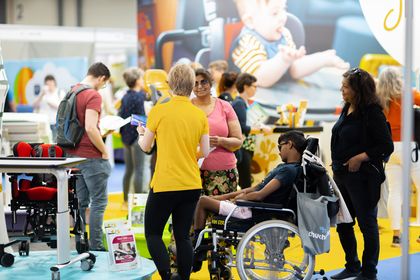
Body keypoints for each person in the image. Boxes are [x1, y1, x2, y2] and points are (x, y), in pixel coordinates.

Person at [137, 63, 210, 280]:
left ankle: (167, 277)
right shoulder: (199, 115)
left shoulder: (159, 111)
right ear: (191, 86)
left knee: (152, 234)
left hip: (165, 183)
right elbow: (205, 151)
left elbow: (146, 146)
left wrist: (142, 133)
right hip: (191, 184)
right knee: (182, 237)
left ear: (169, 84)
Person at [193, 130, 305, 249]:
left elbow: (259, 195)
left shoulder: (288, 170)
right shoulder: (286, 168)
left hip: (251, 211)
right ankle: (202, 243)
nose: (278, 151)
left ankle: (196, 245)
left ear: (290, 144)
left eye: (280, 146)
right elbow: (254, 188)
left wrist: (240, 199)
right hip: (251, 207)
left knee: (202, 201)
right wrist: (221, 197)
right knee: (209, 200)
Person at [330, 68, 394, 280]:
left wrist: (361, 157)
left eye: (346, 86)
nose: (342, 89)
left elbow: (386, 145)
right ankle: (352, 265)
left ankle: (369, 272)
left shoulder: (372, 111)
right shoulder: (347, 107)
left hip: (364, 179)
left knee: (367, 224)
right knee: (344, 223)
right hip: (343, 176)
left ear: (358, 89)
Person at [231, 0, 349, 88]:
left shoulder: (284, 34)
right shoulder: (248, 42)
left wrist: (321, 59)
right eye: (275, 13)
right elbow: (259, 79)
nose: (283, 17)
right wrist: (283, 60)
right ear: (250, 21)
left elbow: (294, 69)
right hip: (254, 100)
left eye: (284, 9)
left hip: (279, 94)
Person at [65, 62, 112, 251]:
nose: (103, 87)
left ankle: (80, 243)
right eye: (105, 83)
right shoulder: (93, 95)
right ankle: (96, 247)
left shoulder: (72, 91)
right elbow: (91, 128)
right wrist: (104, 150)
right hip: (91, 155)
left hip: (73, 155)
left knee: (81, 202)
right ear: (101, 78)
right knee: (99, 202)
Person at [376, 67, 420, 247]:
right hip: (409, 147)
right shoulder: (408, 94)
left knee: (395, 192)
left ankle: (397, 236)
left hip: (389, 149)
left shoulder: (378, 100)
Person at [192, 68, 243, 196]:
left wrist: (220, 141)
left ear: (211, 83)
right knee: (194, 214)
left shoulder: (225, 106)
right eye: (195, 83)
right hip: (192, 173)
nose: (199, 86)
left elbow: (238, 141)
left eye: (203, 82)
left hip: (224, 172)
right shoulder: (187, 107)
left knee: (222, 214)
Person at [232, 73, 271, 189]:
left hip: (246, 146)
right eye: (254, 86)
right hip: (242, 147)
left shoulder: (243, 103)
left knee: (246, 180)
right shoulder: (239, 103)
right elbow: (242, 127)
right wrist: (260, 129)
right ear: (245, 86)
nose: (256, 89)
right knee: (245, 182)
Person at [119, 67, 147, 207]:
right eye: (142, 78)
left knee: (129, 170)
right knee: (139, 170)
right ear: (137, 81)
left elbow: (122, 116)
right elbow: (142, 118)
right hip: (137, 137)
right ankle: (138, 203)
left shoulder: (125, 96)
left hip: (126, 137)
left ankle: (125, 200)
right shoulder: (140, 96)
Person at [33, 75, 65, 141]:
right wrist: (42, 94)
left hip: (55, 124)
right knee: (43, 143)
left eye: (51, 83)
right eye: (47, 84)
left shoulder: (60, 92)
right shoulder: (43, 93)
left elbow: (62, 107)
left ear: (54, 83)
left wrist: (50, 103)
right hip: (43, 123)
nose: (49, 85)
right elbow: (34, 105)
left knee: (54, 143)